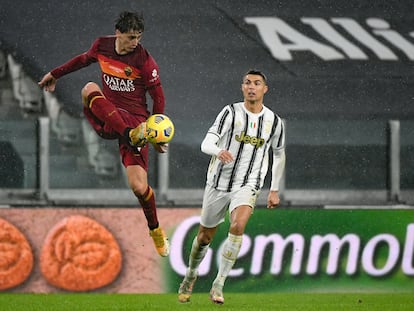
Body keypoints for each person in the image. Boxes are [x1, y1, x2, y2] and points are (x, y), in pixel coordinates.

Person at [38, 11, 170, 257]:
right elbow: (81, 60)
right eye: (131, 37)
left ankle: (155, 230)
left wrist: (156, 132)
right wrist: (55, 73)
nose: (135, 42)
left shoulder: (144, 61)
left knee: (139, 187)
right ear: (118, 33)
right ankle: (129, 134)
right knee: (89, 89)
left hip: (136, 122)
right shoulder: (102, 46)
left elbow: (158, 97)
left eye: (139, 37)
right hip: (111, 118)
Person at [178, 70, 286, 304]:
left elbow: (278, 154)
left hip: (249, 183)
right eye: (247, 83)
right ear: (242, 87)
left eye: (257, 83)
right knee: (205, 237)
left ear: (264, 89)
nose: (251, 87)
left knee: (238, 225)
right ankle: (190, 275)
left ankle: (219, 284)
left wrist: (274, 188)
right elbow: (207, 142)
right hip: (218, 182)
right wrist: (218, 151)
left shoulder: (274, 122)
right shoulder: (231, 113)